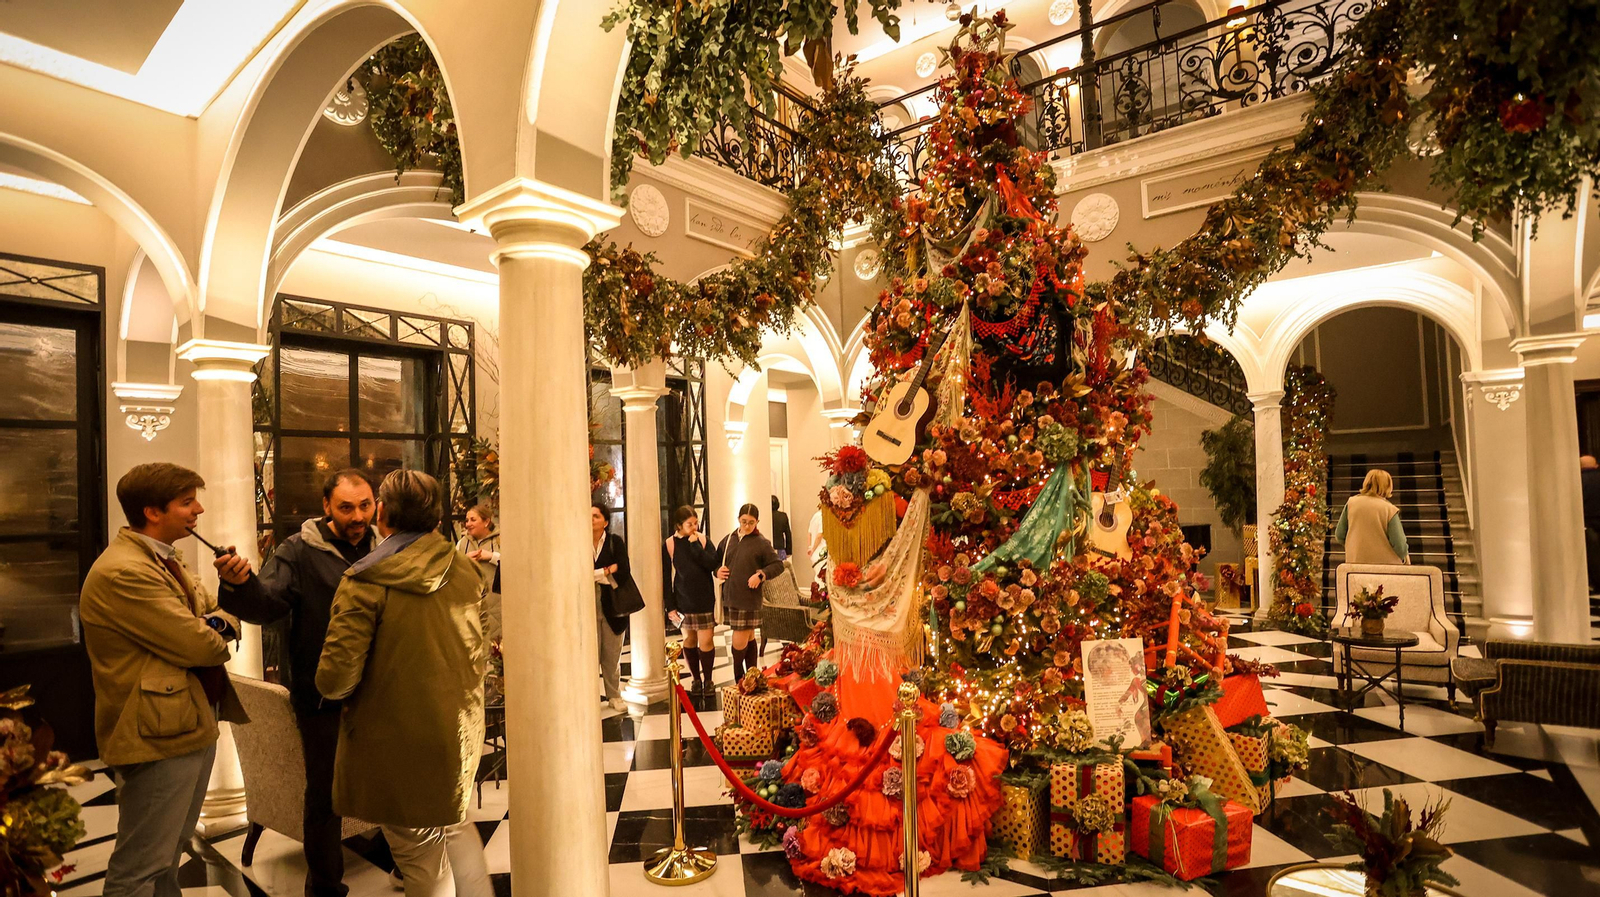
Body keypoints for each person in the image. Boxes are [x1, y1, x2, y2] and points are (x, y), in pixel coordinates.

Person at [315, 469, 489, 897]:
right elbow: (478, 648)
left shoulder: (364, 580)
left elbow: (335, 679)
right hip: (459, 730)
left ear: (382, 512)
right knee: (454, 825)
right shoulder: (465, 569)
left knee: (420, 855)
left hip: (396, 740)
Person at [80, 463, 248, 897]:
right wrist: (212, 627)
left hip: (188, 721)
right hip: (155, 731)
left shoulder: (163, 559)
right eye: (188, 502)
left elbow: (220, 615)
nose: (199, 510)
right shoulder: (126, 571)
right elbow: (202, 645)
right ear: (153, 511)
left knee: (171, 850)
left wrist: (216, 619)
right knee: (142, 865)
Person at [213, 468, 377, 897]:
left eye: (365, 505)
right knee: (325, 796)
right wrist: (240, 582)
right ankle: (323, 888)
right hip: (322, 697)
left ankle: (404, 861)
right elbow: (268, 606)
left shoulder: (385, 546)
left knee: (391, 778)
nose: (358, 516)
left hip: (380, 693)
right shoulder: (299, 551)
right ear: (326, 507)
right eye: (346, 507)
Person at [717, 503, 785, 681]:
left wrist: (761, 575)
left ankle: (740, 677)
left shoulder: (762, 543)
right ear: (738, 519)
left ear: (758, 522)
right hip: (731, 595)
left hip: (749, 596)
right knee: (747, 636)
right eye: (744, 521)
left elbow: (778, 565)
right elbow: (716, 561)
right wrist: (717, 570)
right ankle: (751, 677)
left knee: (741, 636)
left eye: (751, 522)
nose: (747, 526)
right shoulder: (728, 540)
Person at [592, 503, 643, 711]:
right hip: (588, 603)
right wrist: (605, 571)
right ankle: (590, 697)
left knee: (611, 655)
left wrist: (597, 574)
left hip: (613, 604)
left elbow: (623, 571)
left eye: (595, 516)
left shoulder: (615, 542)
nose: (591, 519)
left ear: (605, 521)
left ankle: (614, 695)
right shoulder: (577, 543)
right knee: (590, 654)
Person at [664, 506, 719, 694]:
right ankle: (696, 679)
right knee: (689, 639)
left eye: (696, 523)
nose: (694, 527)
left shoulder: (702, 540)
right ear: (679, 525)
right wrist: (669, 606)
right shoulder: (670, 544)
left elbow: (712, 564)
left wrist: (695, 544)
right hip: (683, 599)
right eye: (689, 524)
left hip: (704, 598)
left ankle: (709, 680)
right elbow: (666, 576)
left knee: (706, 641)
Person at [1333, 468, 1410, 565]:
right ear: (1388, 486)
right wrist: (1405, 558)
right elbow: (1400, 545)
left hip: (1355, 565)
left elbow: (1339, 535)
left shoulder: (1351, 503)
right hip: (1386, 569)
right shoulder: (1389, 509)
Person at [456, 505, 502, 641]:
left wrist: (492, 557)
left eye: (473, 520)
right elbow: (452, 568)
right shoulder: (461, 544)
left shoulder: (500, 540)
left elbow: (515, 565)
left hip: (497, 606)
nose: (468, 524)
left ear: (486, 522)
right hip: (471, 606)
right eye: (467, 520)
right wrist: (464, 560)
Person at [1582, 456, 1600, 592]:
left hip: (1587, 522)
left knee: (1592, 553)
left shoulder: (1577, 481)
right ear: (1596, 465)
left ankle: (1596, 583)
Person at [770, 495, 793, 560]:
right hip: (780, 547)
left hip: (767, 548)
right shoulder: (783, 516)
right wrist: (789, 551)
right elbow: (788, 534)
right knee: (781, 568)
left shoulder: (765, 516)